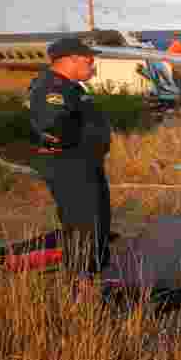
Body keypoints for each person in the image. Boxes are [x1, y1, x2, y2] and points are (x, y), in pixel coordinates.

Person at [27, 37, 112, 275]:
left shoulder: (70, 87)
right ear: (72, 58)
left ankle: (93, 275)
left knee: (95, 224)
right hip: (71, 167)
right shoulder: (51, 87)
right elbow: (53, 127)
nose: (93, 65)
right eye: (89, 59)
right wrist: (84, 143)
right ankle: (81, 283)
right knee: (82, 227)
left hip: (84, 165)